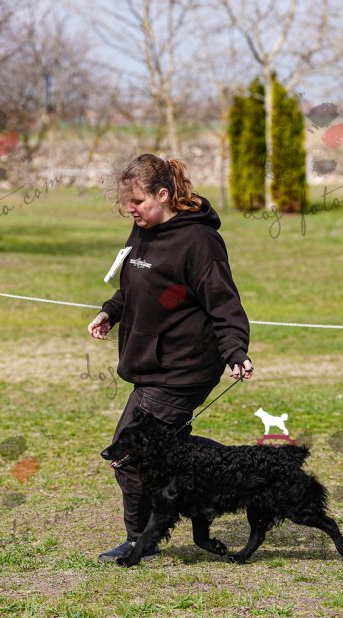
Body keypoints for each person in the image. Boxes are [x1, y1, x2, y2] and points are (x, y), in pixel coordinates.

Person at [86, 153, 254, 562]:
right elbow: (135, 285)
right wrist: (111, 311)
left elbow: (224, 303)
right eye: (127, 202)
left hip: (183, 368)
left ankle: (139, 541)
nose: (131, 209)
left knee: (128, 456)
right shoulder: (142, 230)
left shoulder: (199, 242)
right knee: (170, 455)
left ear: (163, 195)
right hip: (149, 364)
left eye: (138, 201)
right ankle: (205, 502)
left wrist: (235, 350)